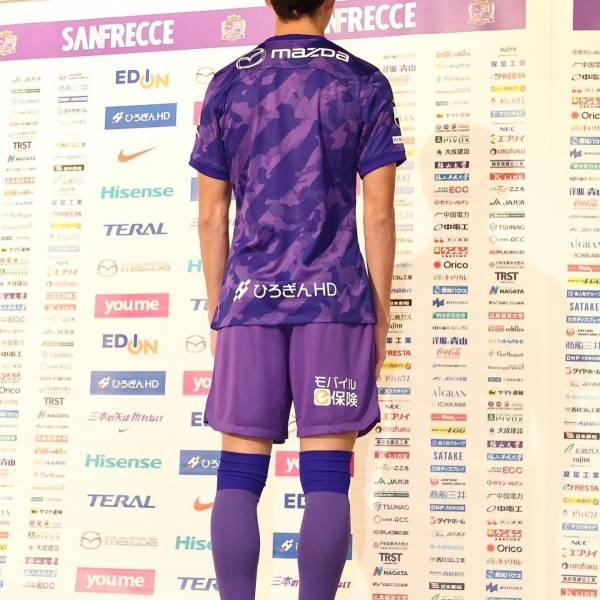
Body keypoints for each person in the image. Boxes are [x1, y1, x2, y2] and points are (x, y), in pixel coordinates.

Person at [188, 0, 406, 597]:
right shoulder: (363, 82)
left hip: (248, 300)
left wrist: (221, 310)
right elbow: (379, 215)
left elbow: (211, 217)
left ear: (268, 2)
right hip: (335, 301)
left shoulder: (228, 84)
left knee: (238, 474)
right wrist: (379, 312)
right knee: (328, 479)